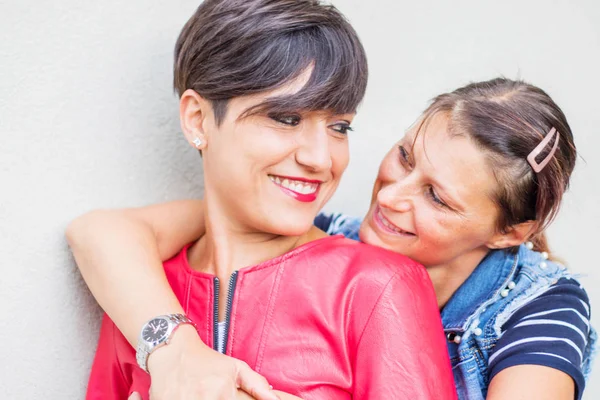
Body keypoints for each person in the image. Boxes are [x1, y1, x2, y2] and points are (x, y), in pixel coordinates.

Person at [69, 76, 598, 400]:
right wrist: (177, 353)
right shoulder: (328, 236)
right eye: (405, 157)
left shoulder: (543, 308)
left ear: (510, 232)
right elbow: (107, 232)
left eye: (436, 197)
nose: (392, 196)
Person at [68, 1, 457, 399]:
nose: (321, 158)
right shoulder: (141, 296)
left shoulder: (378, 285)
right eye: (286, 118)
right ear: (198, 120)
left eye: (339, 127)